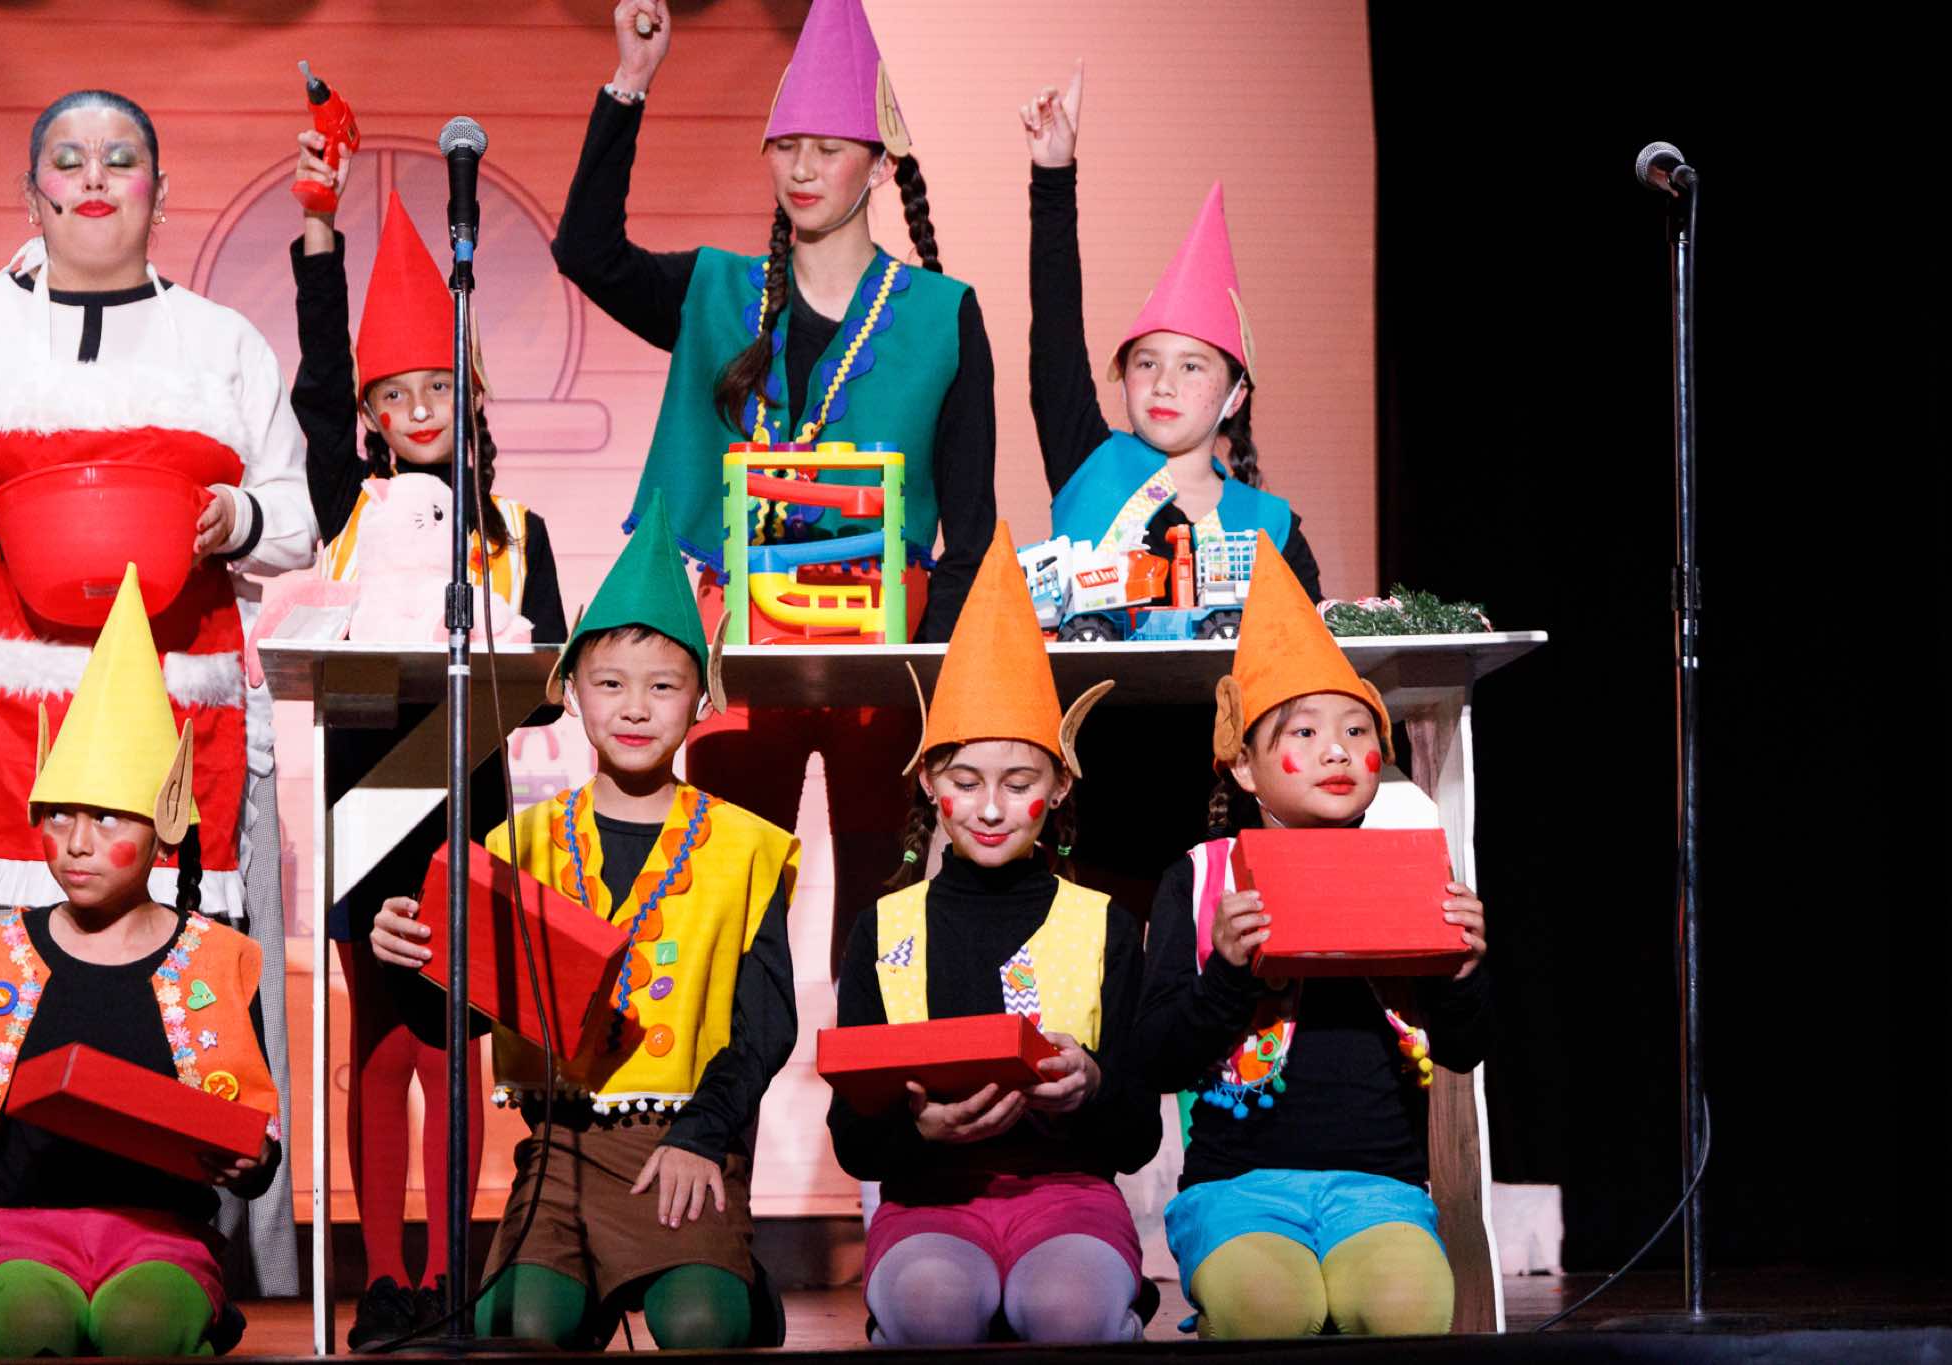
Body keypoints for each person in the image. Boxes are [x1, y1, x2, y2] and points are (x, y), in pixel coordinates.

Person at [551, 0, 998, 954]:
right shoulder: (716, 289)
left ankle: (865, 1057)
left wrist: (937, 678)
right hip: (740, 637)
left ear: (878, 165)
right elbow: (584, 252)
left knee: (877, 908)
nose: (801, 168)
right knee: (728, 898)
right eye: (785, 147)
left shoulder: (943, 312)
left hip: (887, 643)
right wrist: (630, 81)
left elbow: (972, 526)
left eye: (827, 149)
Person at [0, 86, 310, 1295]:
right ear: (31, 194)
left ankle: (203, 1255)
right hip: (2, 712)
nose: (96, 177)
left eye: (122, 158)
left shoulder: (223, 341)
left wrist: (237, 514)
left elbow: (299, 520)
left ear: (161, 193)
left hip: (183, 705)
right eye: (69, 159)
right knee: (1, 1004)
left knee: (187, 1006)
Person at [369, 495, 798, 1350]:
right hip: (558, 1154)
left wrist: (701, 1138)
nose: (635, 707)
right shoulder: (516, 843)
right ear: (570, 693)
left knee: (701, 1322)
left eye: (663, 685)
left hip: (683, 1141)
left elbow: (765, 1027)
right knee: (519, 1325)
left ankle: (743, 1283)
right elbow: (462, 1018)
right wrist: (409, 958)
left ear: (701, 699)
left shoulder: (747, 847)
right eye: (610, 683)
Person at [287, 137, 568, 1346]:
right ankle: (385, 1279)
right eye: (391, 398)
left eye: (435, 392)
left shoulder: (516, 532)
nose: (414, 414)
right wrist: (320, 236)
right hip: (366, 802)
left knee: (454, 1043)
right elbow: (312, 381)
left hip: (469, 803)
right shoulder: (344, 511)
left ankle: (452, 1274)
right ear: (368, 416)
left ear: (471, 395)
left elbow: (549, 687)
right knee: (381, 1039)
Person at [1130, 534, 1490, 1338]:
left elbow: (1464, 1049)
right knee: (1272, 1309)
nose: (1337, 750)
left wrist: (1464, 970)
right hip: (1238, 1189)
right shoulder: (1202, 878)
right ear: (1244, 767)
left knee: (1411, 1310)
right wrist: (1229, 970)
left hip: (1380, 1190)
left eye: (1358, 731)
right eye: (1302, 732)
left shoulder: (1410, 869)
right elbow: (1156, 1057)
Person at [826, 525, 1159, 1345]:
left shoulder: (1105, 924)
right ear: (930, 781)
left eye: (1018, 782)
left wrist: (1092, 1085)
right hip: (928, 1198)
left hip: (1070, 1195)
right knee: (933, 1309)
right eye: (966, 781)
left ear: (1058, 785)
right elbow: (853, 1138)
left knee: (1068, 1312)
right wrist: (916, 1129)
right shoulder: (883, 928)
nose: (989, 808)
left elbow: (1139, 1131)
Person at [0, 566, 283, 1357]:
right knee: (29, 1324)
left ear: (164, 823)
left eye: (106, 818)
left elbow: (251, 1142)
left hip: (159, 1235)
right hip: (21, 1229)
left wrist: (249, 1160)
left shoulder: (213, 960)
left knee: (143, 1327)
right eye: (59, 815)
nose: (76, 841)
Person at [1019, 62, 1323, 600]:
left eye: (1191, 366)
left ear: (1235, 396)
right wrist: (1053, 177)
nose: (1163, 384)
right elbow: (1056, 331)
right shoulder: (1089, 462)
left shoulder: (1273, 531)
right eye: (1147, 362)